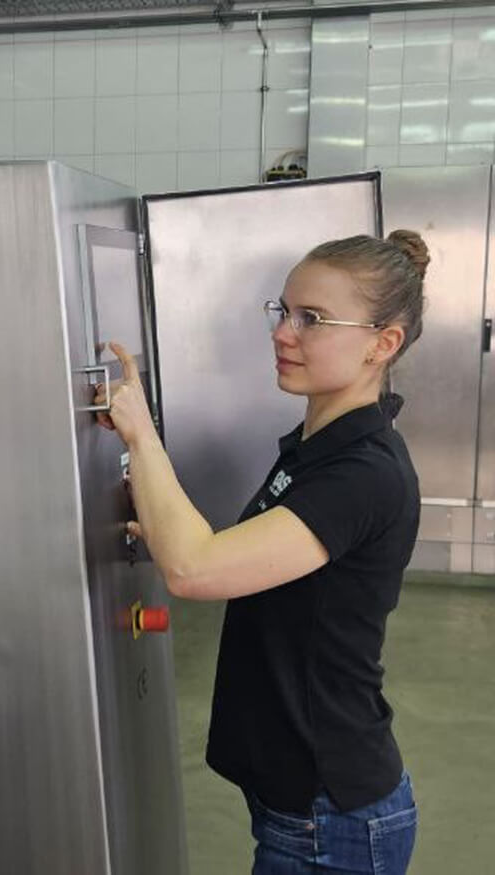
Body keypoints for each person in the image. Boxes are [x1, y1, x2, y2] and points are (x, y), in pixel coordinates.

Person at [94, 230, 429, 874]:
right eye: (283, 311)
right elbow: (236, 553)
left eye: (313, 319)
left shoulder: (364, 472)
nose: (282, 334)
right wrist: (157, 524)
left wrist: (141, 435)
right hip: (300, 802)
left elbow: (195, 569)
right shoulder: (316, 448)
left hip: (331, 817)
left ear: (382, 343)